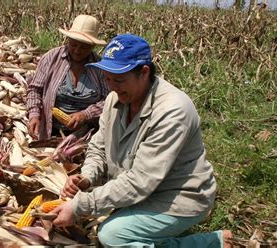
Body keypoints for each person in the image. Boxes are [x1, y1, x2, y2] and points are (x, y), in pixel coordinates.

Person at [51, 34, 232, 247]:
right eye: (107, 78)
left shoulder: (172, 111)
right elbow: (98, 146)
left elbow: (141, 181)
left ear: (144, 72)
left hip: (178, 196)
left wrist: (79, 206)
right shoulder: (114, 99)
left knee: (112, 236)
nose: (111, 87)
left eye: (118, 80)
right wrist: (87, 177)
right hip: (142, 191)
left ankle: (208, 243)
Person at [26, 14, 109, 140]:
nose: (77, 50)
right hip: (51, 130)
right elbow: (35, 90)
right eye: (74, 44)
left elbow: (109, 100)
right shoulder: (51, 58)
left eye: (84, 47)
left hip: (87, 134)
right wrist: (34, 115)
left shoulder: (100, 68)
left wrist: (86, 114)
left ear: (93, 46)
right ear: (68, 39)